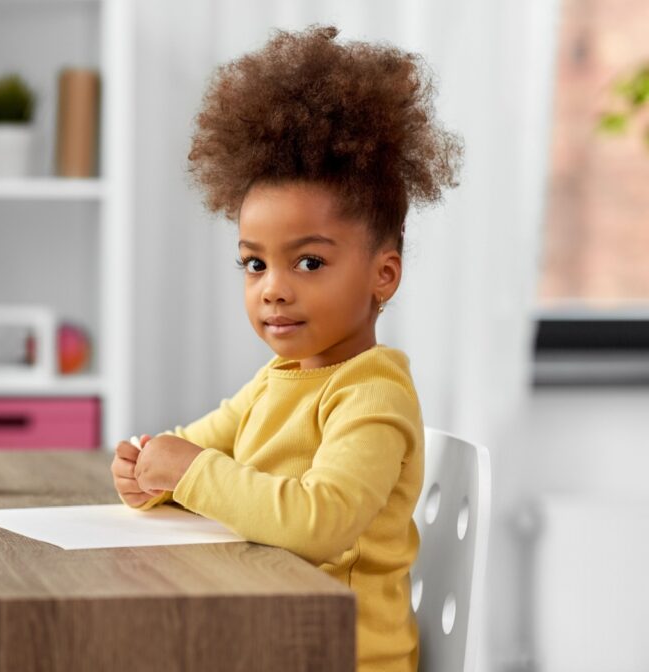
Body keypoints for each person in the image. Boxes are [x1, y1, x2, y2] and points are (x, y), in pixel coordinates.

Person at [111, 25, 462, 672]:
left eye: (306, 262)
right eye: (253, 265)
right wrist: (147, 467)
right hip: (268, 632)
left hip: (342, 653)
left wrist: (185, 471)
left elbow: (318, 521)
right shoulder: (278, 379)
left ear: (383, 274)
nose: (272, 290)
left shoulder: (372, 395)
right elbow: (198, 443)